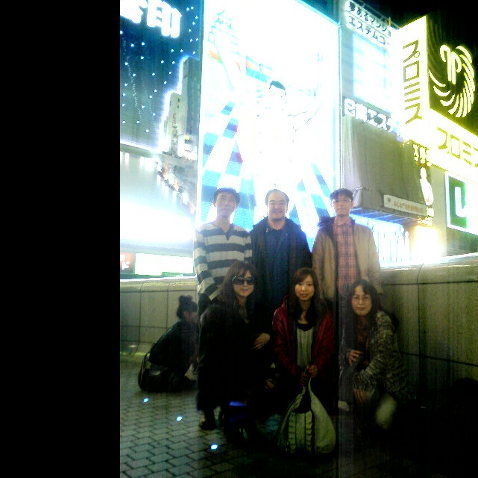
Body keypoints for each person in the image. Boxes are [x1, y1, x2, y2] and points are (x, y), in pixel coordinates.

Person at [196, 260, 272, 436]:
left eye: (250, 280)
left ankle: (241, 413)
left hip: (245, 369)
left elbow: (264, 334)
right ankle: (224, 414)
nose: (245, 284)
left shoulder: (256, 307)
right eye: (239, 280)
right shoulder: (216, 312)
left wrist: (268, 335)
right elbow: (209, 358)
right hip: (222, 371)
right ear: (230, 282)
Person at [338, 279, 411, 434]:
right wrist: (347, 354)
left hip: (388, 386)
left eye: (365, 298)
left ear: (373, 300)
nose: (360, 303)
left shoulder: (382, 320)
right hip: (364, 380)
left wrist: (359, 383)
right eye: (356, 298)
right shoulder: (350, 321)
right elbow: (341, 353)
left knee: (382, 421)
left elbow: (381, 359)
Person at [271, 267, 335, 413]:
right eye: (299, 284)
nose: (304, 289)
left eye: (309, 284)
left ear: (315, 287)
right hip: (289, 375)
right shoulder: (281, 314)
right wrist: (296, 372)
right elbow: (279, 348)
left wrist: (316, 366)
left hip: (317, 376)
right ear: (293, 286)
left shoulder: (324, 314)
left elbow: (328, 347)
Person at [250, 189, 312, 327]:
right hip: (261, 303)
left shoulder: (298, 234)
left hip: (292, 302)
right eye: (272, 203)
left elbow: (307, 267)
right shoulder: (254, 235)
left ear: (287, 206)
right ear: (266, 206)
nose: (277, 207)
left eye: (281, 203)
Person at [193, 187, 252, 317]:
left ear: (235, 205)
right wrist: (216, 296)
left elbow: (247, 268)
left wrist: (239, 295)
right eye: (222, 198)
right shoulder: (201, 231)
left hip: (236, 298)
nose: (226, 203)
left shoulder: (244, 234)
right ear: (214, 203)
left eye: (231, 200)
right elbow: (200, 267)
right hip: (209, 299)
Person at [147, 295, 199, 392]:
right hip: (158, 379)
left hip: (151, 376)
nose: (197, 315)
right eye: (195, 312)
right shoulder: (185, 330)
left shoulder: (180, 326)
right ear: (186, 314)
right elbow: (179, 359)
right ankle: (175, 380)